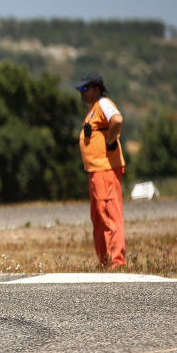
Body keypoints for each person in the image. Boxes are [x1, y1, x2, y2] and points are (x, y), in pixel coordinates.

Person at [74, 72, 125, 268]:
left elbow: (117, 120)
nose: (81, 92)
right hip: (96, 171)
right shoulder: (93, 110)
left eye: (85, 89)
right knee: (98, 217)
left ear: (97, 89)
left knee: (109, 214)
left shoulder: (103, 104)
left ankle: (116, 262)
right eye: (80, 89)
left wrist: (110, 142)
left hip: (105, 170)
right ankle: (106, 260)